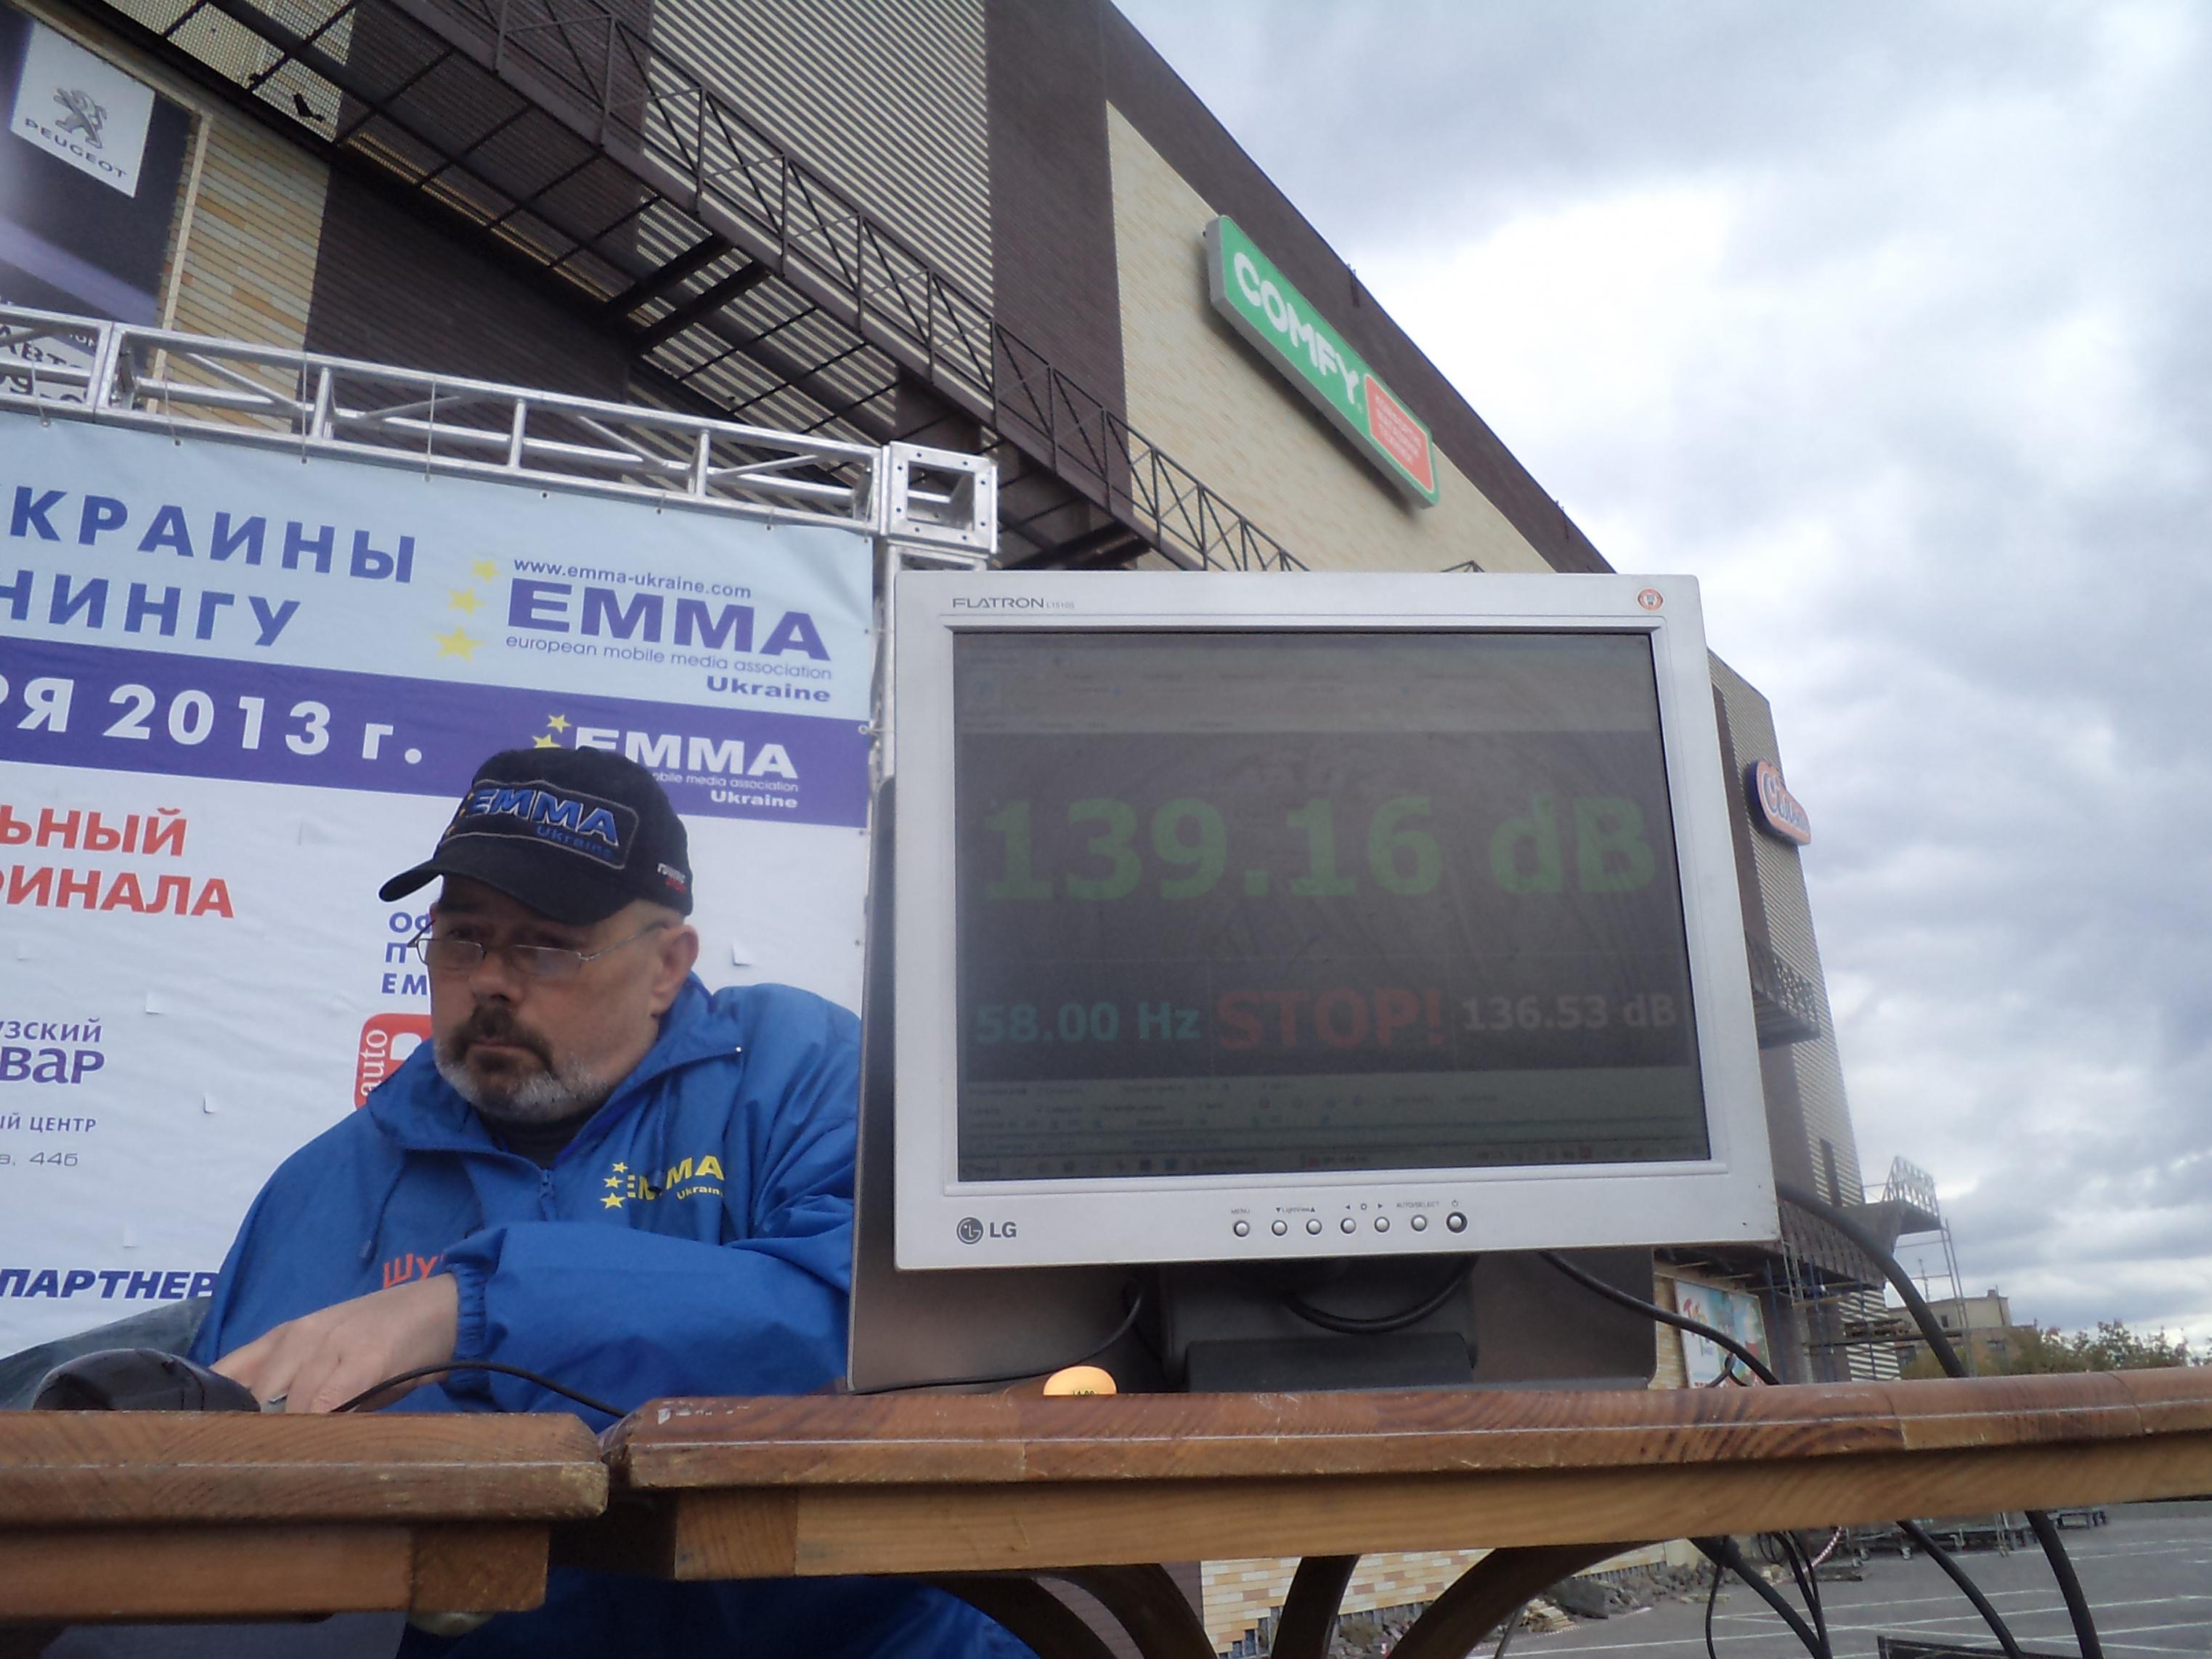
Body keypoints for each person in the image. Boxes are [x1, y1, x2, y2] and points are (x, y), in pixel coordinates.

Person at [188, 746, 1028, 1659]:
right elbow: (240, 1483)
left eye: (546, 944)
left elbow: (861, 1328)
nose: (491, 980)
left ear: (667, 964)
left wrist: (466, 1315)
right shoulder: (328, 1183)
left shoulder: (798, 1069)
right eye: (463, 936)